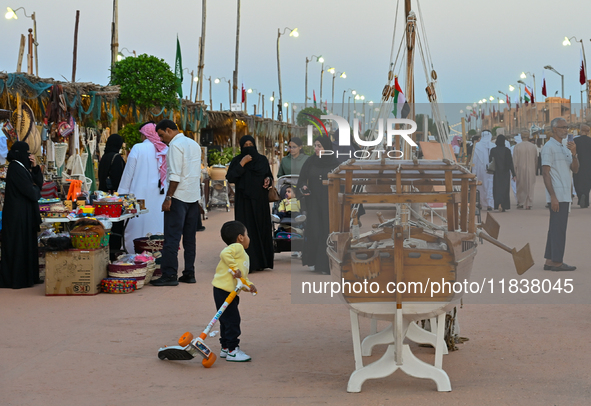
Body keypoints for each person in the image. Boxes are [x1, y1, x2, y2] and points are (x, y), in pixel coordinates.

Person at [151, 119, 202, 286]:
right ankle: (189, 272)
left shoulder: (174, 145)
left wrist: (168, 198)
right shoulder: (193, 144)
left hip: (178, 197)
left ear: (168, 130)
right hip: (193, 197)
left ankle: (170, 274)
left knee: (172, 238)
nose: (161, 139)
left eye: (161, 135)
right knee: (189, 238)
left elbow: (175, 176)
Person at [117, 122, 167, 253]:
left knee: (136, 224)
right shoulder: (164, 149)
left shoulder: (138, 148)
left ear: (145, 135)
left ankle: (133, 253)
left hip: (138, 193)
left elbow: (129, 172)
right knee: (156, 222)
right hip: (159, 195)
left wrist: (122, 193)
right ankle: (156, 252)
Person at [226, 135, 274, 272]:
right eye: (245, 145)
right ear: (241, 147)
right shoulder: (237, 161)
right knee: (245, 231)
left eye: (250, 144)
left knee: (261, 228)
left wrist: (268, 180)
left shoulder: (262, 160)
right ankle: (248, 263)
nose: (248, 147)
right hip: (244, 202)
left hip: (260, 201)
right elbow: (230, 177)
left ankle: (263, 261)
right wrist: (242, 163)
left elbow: (268, 175)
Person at [0, 142, 43, 289]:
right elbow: (31, 192)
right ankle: (17, 279)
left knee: (25, 245)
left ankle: (28, 277)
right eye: (27, 153)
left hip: (23, 215)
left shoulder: (21, 167)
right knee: (18, 246)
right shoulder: (16, 168)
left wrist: (35, 168)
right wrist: (36, 189)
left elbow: (36, 184)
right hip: (17, 216)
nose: (29, 156)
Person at [212, 221, 257, 362]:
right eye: (247, 235)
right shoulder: (236, 247)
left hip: (226, 291)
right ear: (240, 237)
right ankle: (233, 350)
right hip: (225, 291)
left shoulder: (241, 254)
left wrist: (249, 286)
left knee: (225, 320)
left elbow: (242, 279)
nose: (248, 238)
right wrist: (234, 267)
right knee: (232, 320)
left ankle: (225, 347)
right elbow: (224, 253)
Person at [297, 136, 339, 274]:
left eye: (319, 146)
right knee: (315, 231)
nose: (316, 148)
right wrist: (303, 187)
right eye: (315, 145)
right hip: (313, 203)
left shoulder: (336, 163)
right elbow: (302, 180)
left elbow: (342, 184)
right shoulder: (310, 162)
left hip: (329, 204)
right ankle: (314, 260)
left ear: (327, 147)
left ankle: (325, 266)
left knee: (327, 231)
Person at [542, 117, 579, 272]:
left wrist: (575, 154)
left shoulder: (565, 147)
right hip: (557, 195)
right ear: (554, 129)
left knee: (555, 228)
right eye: (563, 127)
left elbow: (575, 169)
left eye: (567, 127)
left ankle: (550, 260)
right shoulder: (548, 147)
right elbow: (545, 172)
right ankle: (557, 262)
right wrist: (553, 196)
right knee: (559, 229)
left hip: (565, 194)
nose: (566, 130)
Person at [489, 134, 516, 212]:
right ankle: (504, 205)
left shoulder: (493, 150)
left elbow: (490, 160)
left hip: (496, 172)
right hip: (505, 172)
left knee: (497, 189)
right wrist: (514, 174)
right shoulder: (507, 150)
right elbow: (510, 163)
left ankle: (498, 204)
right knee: (504, 189)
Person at [513, 133, 538, 209]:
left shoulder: (517, 147)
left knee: (521, 186)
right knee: (530, 186)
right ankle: (528, 203)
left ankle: (521, 202)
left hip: (520, 169)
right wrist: (535, 169)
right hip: (531, 168)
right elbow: (536, 160)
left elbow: (514, 160)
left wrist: (514, 171)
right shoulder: (533, 147)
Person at [472, 130, 495, 210]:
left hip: (479, 169)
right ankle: (489, 204)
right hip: (490, 170)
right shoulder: (493, 145)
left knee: (480, 186)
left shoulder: (477, 146)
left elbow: (474, 160)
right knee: (490, 186)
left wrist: (473, 172)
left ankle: (480, 203)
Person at [573, 123, 591, 208]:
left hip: (578, 163)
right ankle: (585, 199)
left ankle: (580, 196)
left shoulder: (576, 141)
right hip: (589, 165)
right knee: (587, 182)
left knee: (577, 181)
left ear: (580, 130)